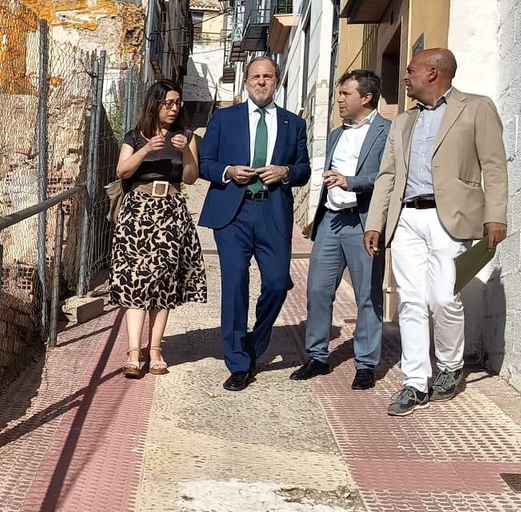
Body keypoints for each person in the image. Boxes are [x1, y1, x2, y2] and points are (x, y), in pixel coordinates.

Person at [365, 47, 508, 416]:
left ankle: (449, 365)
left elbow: (494, 165)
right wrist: (376, 222)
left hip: (451, 217)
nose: (405, 77)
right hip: (406, 218)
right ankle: (414, 382)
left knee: (443, 298)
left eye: (411, 70)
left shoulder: (476, 108)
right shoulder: (403, 121)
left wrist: (495, 216)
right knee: (410, 301)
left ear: (433, 73)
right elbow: (387, 175)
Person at [197, 57, 311, 391]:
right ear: (246, 82)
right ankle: (237, 363)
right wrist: (228, 171)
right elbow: (205, 163)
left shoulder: (293, 123)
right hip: (233, 212)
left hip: (272, 211)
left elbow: (304, 169)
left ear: (277, 82)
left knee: (277, 283)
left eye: (268, 77)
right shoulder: (224, 118)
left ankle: (253, 344)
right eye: (256, 77)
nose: (261, 82)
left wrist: (286, 172)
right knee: (235, 284)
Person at [291, 70, 391, 389]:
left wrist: (351, 182)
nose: (339, 99)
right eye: (339, 93)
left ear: (367, 97)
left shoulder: (387, 132)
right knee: (318, 290)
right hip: (331, 220)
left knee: (367, 295)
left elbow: (388, 176)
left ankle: (366, 363)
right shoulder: (336, 134)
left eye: (346, 94)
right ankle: (317, 356)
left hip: (363, 222)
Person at [109, 79, 207, 377]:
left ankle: (154, 350)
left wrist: (186, 151)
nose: (174, 108)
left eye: (178, 103)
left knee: (164, 281)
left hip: (171, 211)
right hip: (138, 211)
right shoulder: (135, 136)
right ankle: (133, 351)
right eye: (169, 103)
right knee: (136, 279)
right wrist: (146, 150)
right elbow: (122, 170)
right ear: (155, 104)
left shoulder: (186, 137)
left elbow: (191, 178)